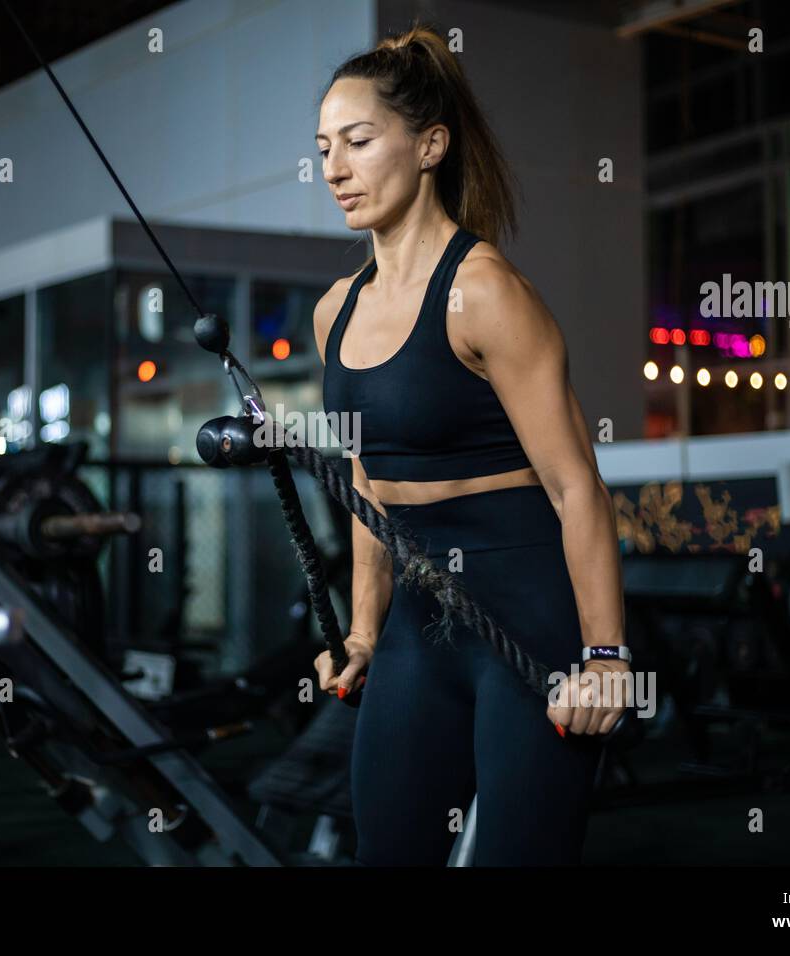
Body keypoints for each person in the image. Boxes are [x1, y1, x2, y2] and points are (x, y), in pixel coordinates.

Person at [311, 25, 629, 866]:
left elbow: (576, 490)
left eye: (359, 141)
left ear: (429, 145)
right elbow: (365, 488)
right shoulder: (334, 310)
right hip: (418, 631)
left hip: (528, 619)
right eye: (323, 149)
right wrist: (365, 634)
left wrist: (605, 657)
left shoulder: (485, 291)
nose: (335, 168)